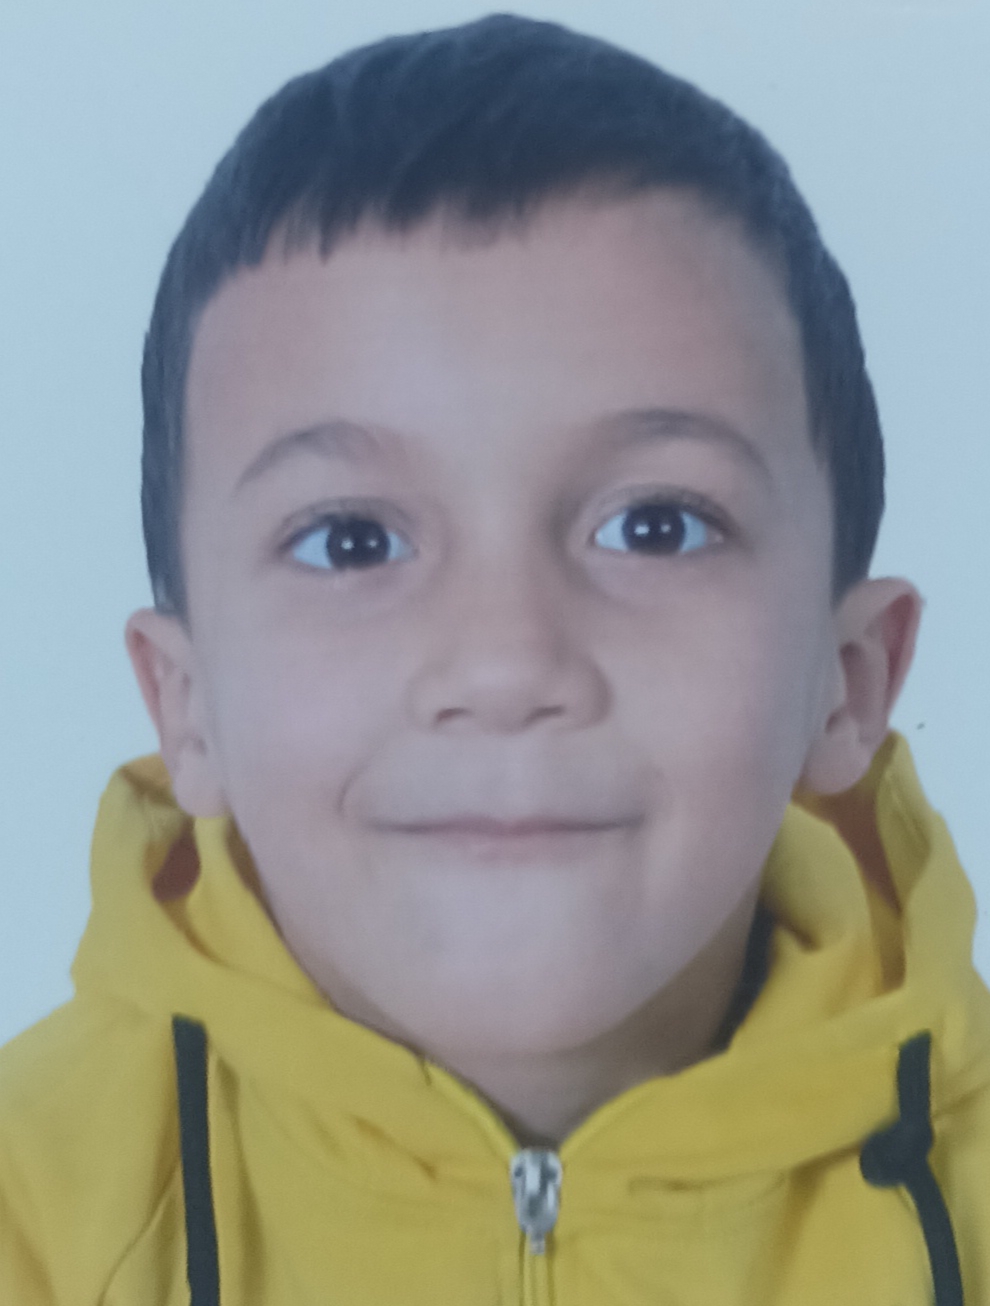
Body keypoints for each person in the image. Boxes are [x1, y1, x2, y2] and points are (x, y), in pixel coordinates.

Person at [2, 13, 988, 1304]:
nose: (507, 663)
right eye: (352, 541)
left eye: (655, 525)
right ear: (185, 708)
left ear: (848, 679)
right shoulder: (33, 1211)